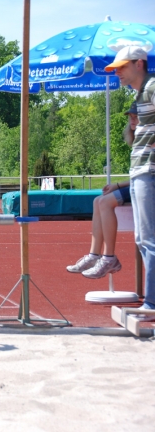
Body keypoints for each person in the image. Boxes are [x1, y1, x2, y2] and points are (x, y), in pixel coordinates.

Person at [105, 46, 155, 312]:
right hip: (140, 171)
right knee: (142, 239)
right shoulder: (141, 92)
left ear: (138, 63)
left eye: (121, 67)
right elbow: (134, 136)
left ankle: (152, 302)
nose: (117, 73)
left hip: (150, 171)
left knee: (148, 239)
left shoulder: (152, 86)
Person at [66, 103, 138, 278]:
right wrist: (117, 185)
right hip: (138, 183)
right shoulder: (137, 140)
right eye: (130, 117)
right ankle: (94, 254)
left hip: (147, 186)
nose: (132, 120)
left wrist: (118, 185)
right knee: (97, 200)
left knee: (105, 202)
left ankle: (109, 257)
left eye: (136, 116)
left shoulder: (149, 139)